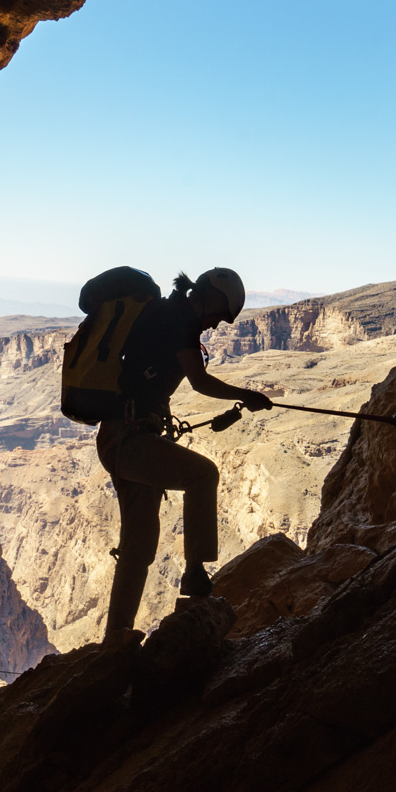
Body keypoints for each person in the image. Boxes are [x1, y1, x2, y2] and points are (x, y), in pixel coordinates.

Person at [99, 267, 273, 636]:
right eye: (217, 314)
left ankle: (115, 639)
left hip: (125, 438)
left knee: (140, 546)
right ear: (209, 296)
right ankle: (195, 571)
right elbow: (200, 381)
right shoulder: (178, 321)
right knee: (203, 474)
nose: (214, 325)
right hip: (130, 440)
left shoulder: (167, 314)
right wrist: (246, 395)